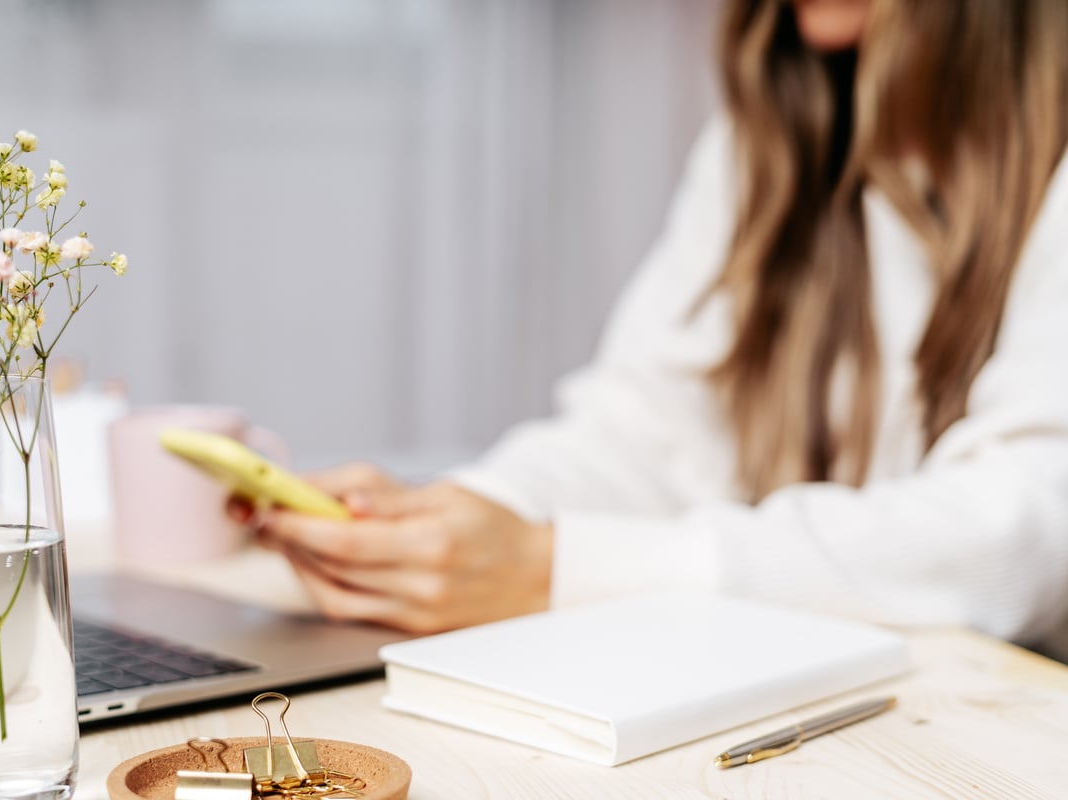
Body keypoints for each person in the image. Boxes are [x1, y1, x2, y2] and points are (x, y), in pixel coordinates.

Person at [229, 0, 1068, 659]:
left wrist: (553, 569)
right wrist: (465, 523)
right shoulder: (771, 138)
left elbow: (1019, 527)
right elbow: (647, 427)